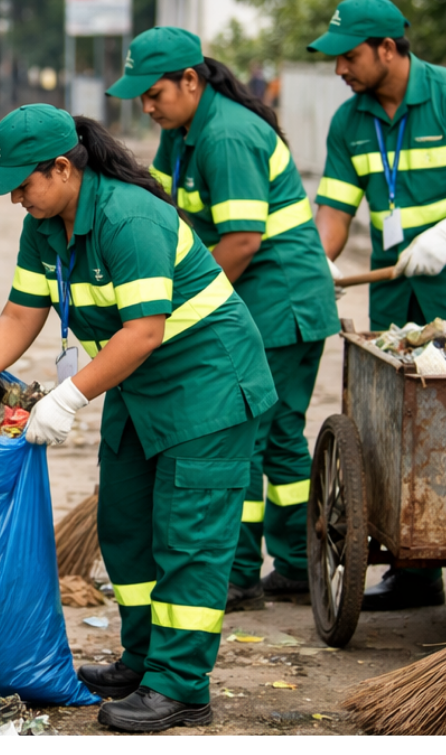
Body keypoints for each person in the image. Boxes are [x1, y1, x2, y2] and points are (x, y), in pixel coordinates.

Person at [0, 104, 276, 732]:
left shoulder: (130, 218)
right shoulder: (44, 225)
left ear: (63, 168)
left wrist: (66, 399)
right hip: (137, 390)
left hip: (207, 388)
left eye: (22, 182)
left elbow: (143, 331)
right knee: (124, 529)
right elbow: (18, 316)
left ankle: (181, 686)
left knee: (187, 542)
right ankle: (145, 660)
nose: (14, 197)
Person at [107, 27, 340, 611]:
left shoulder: (228, 136)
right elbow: (167, 214)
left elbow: (239, 243)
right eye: (141, 97)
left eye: (155, 93)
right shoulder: (183, 132)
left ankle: (242, 572)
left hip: (278, 301)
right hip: (254, 299)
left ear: (192, 80)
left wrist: (169, 310)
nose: (148, 106)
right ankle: (292, 563)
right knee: (279, 436)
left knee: (251, 437)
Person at [309, 0, 446, 610]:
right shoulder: (350, 121)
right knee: (399, 421)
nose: (340, 68)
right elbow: (336, 211)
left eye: (349, 55)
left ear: (388, 49)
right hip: (400, 288)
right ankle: (414, 571)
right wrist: (321, 259)